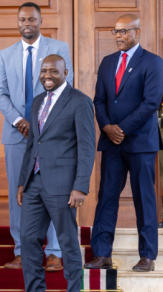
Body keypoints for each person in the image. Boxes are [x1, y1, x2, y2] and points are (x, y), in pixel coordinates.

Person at [0, 1, 74, 270]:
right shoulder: (5, 54)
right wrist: (19, 121)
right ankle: (22, 252)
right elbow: (0, 93)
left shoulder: (59, 48)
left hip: (51, 134)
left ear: (40, 21)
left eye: (31, 19)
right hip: (17, 134)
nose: (26, 24)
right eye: (22, 20)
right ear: (17, 23)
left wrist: (41, 122)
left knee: (54, 191)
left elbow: (66, 86)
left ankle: (54, 252)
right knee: (18, 194)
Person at [84, 14, 163, 272]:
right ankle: (102, 254)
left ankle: (148, 256)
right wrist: (107, 127)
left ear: (137, 33)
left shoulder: (153, 62)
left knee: (144, 199)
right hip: (111, 143)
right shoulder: (107, 63)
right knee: (106, 197)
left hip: (140, 143)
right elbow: (99, 101)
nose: (119, 36)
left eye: (124, 32)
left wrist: (122, 129)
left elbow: (151, 103)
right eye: (115, 32)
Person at [17, 55, 95, 292]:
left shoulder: (79, 101)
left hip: (63, 185)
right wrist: (22, 182)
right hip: (34, 183)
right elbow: (32, 144)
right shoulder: (39, 100)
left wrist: (80, 186)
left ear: (66, 72)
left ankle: (74, 289)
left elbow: (86, 146)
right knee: (29, 241)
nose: (47, 76)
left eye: (53, 71)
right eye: (44, 71)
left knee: (67, 242)